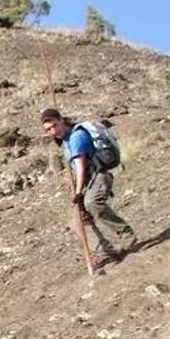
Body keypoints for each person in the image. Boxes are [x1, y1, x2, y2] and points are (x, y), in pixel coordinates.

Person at [41, 108, 137, 269]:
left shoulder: (76, 137)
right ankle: (103, 251)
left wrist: (78, 193)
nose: (53, 131)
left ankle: (126, 234)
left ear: (62, 120)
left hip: (99, 175)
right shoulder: (65, 142)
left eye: (55, 126)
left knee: (92, 203)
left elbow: (80, 166)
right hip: (88, 180)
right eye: (48, 129)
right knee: (79, 217)